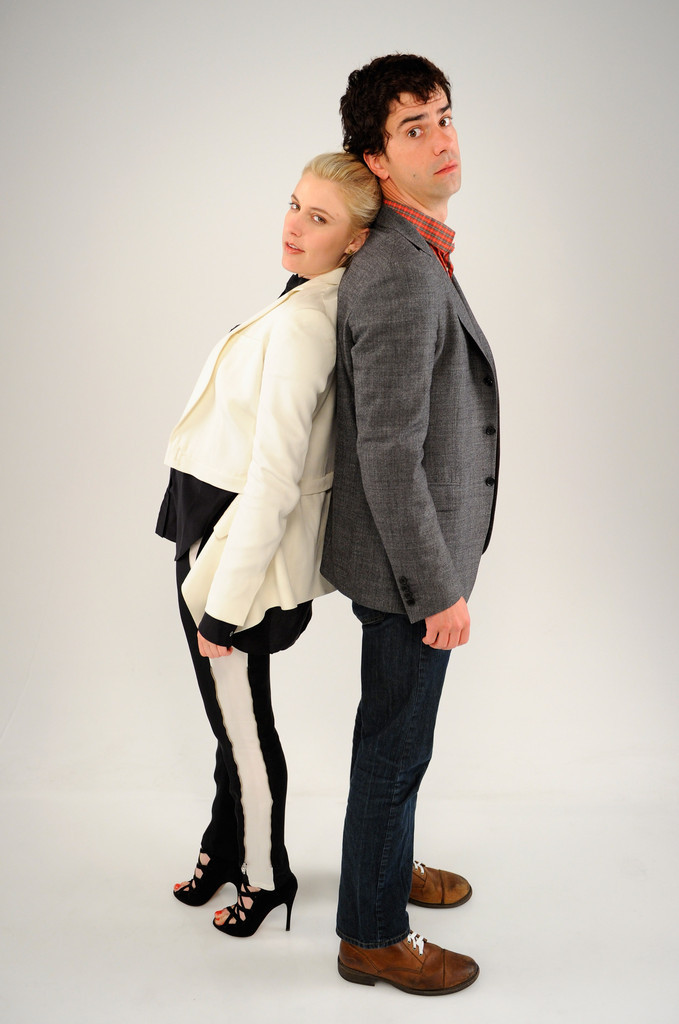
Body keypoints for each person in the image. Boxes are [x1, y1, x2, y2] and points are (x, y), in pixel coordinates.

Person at [156, 152, 381, 938]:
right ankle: (225, 846)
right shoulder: (302, 297)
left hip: (230, 546)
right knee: (230, 718)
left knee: (244, 728)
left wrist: (223, 607)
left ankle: (264, 875)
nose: (293, 225)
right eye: (294, 204)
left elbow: (278, 477)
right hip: (205, 522)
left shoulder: (305, 322)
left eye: (318, 218)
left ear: (354, 240)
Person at [321, 55, 500, 994]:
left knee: (397, 740)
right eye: (413, 128)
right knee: (394, 748)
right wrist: (437, 590)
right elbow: (387, 454)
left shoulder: (414, 249)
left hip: (405, 556)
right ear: (377, 160)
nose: (441, 139)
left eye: (443, 116)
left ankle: (383, 871)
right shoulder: (398, 271)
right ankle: (372, 935)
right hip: (407, 570)